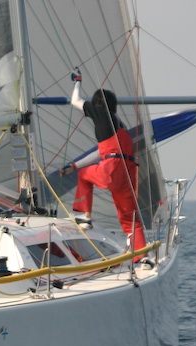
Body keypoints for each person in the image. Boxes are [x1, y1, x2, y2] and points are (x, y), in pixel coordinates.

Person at [60, 68, 147, 261]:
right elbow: (103, 152)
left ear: (98, 103)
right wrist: (74, 165)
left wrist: (78, 81)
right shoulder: (120, 125)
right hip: (127, 173)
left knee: (84, 176)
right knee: (130, 219)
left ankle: (85, 217)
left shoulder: (100, 112)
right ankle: (143, 258)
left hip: (112, 168)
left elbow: (75, 100)